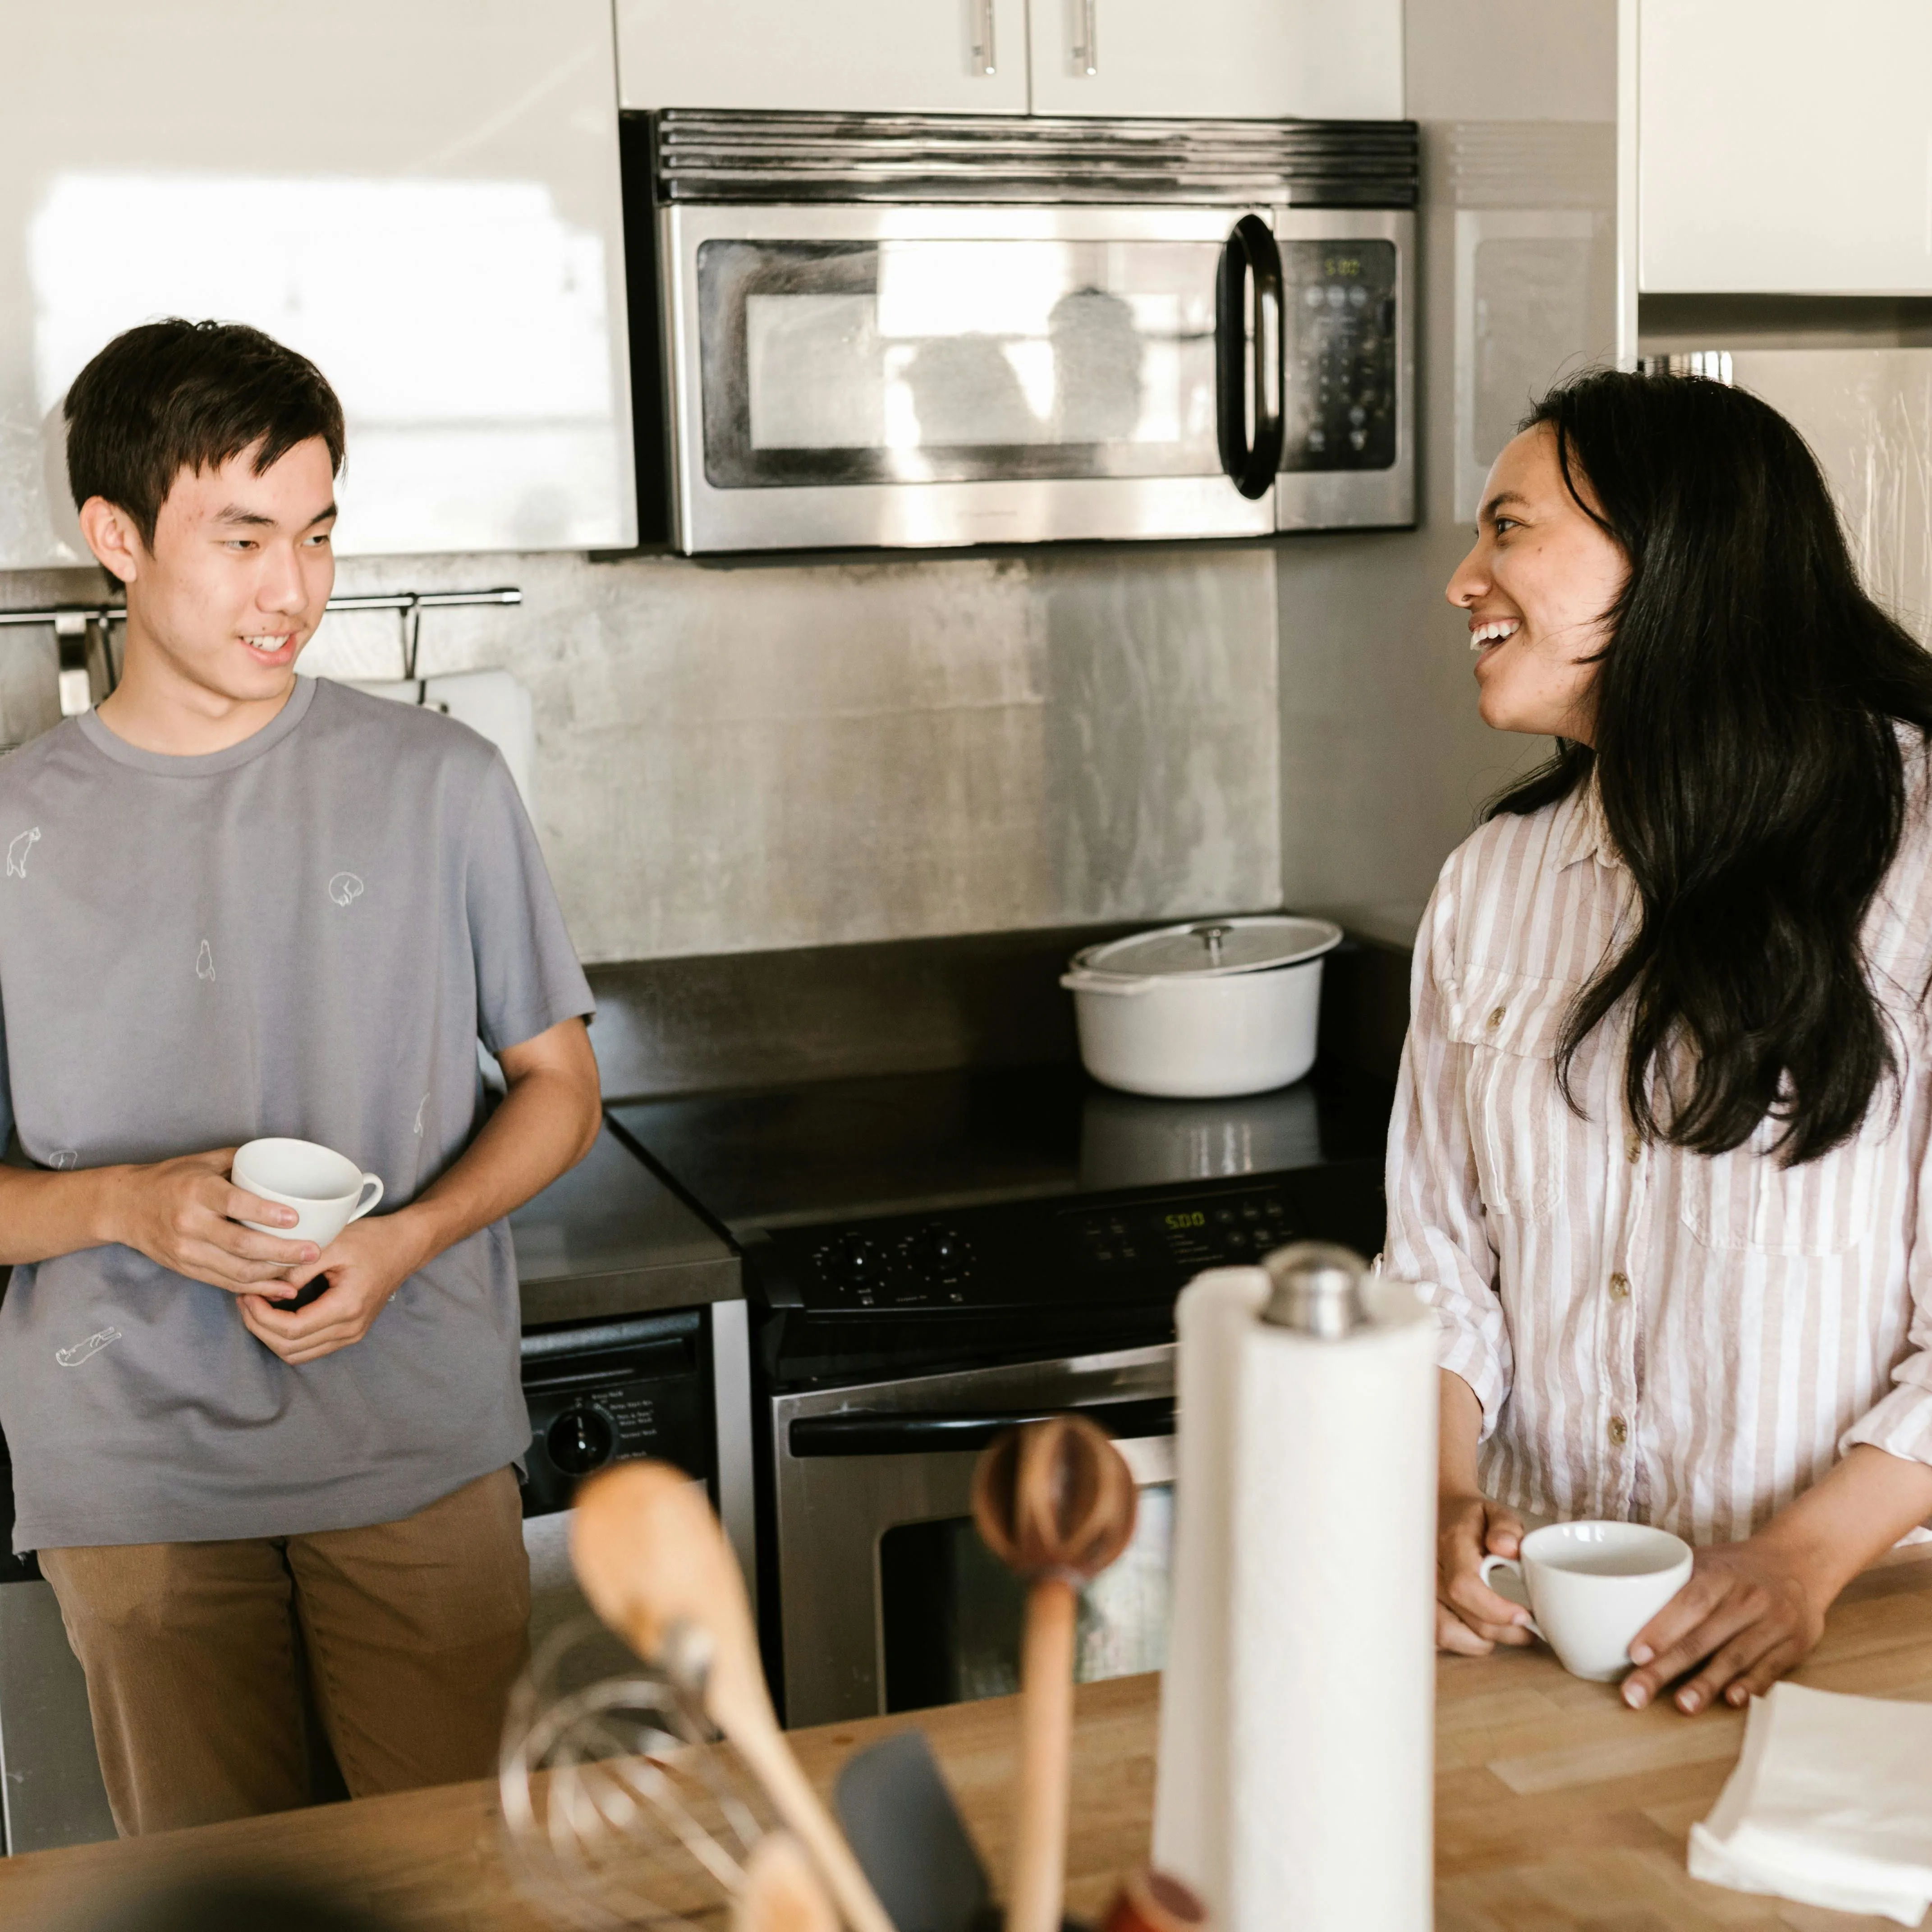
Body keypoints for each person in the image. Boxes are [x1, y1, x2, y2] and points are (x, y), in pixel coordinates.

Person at [0, 319, 602, 1832]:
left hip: (414, 1436)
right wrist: (125, 1209)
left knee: (466, 1881)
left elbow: (560, 1083)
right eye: (245, 534)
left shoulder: (442, 781)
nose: (295, 590)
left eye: (320, 533)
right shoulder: (14, 826)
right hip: (131, 1473)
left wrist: (404, 1239)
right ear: (116, 538)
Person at [1390, 368, 1932, 1717]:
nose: (1463, 579)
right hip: (1549, 1649)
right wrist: (1441, 1494)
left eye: (1507, 528)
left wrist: (1799, 1564)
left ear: (1674, 554)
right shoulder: (1492, 883)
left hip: (1869, 1634)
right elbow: (1436, 1264)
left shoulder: (1916, 855)